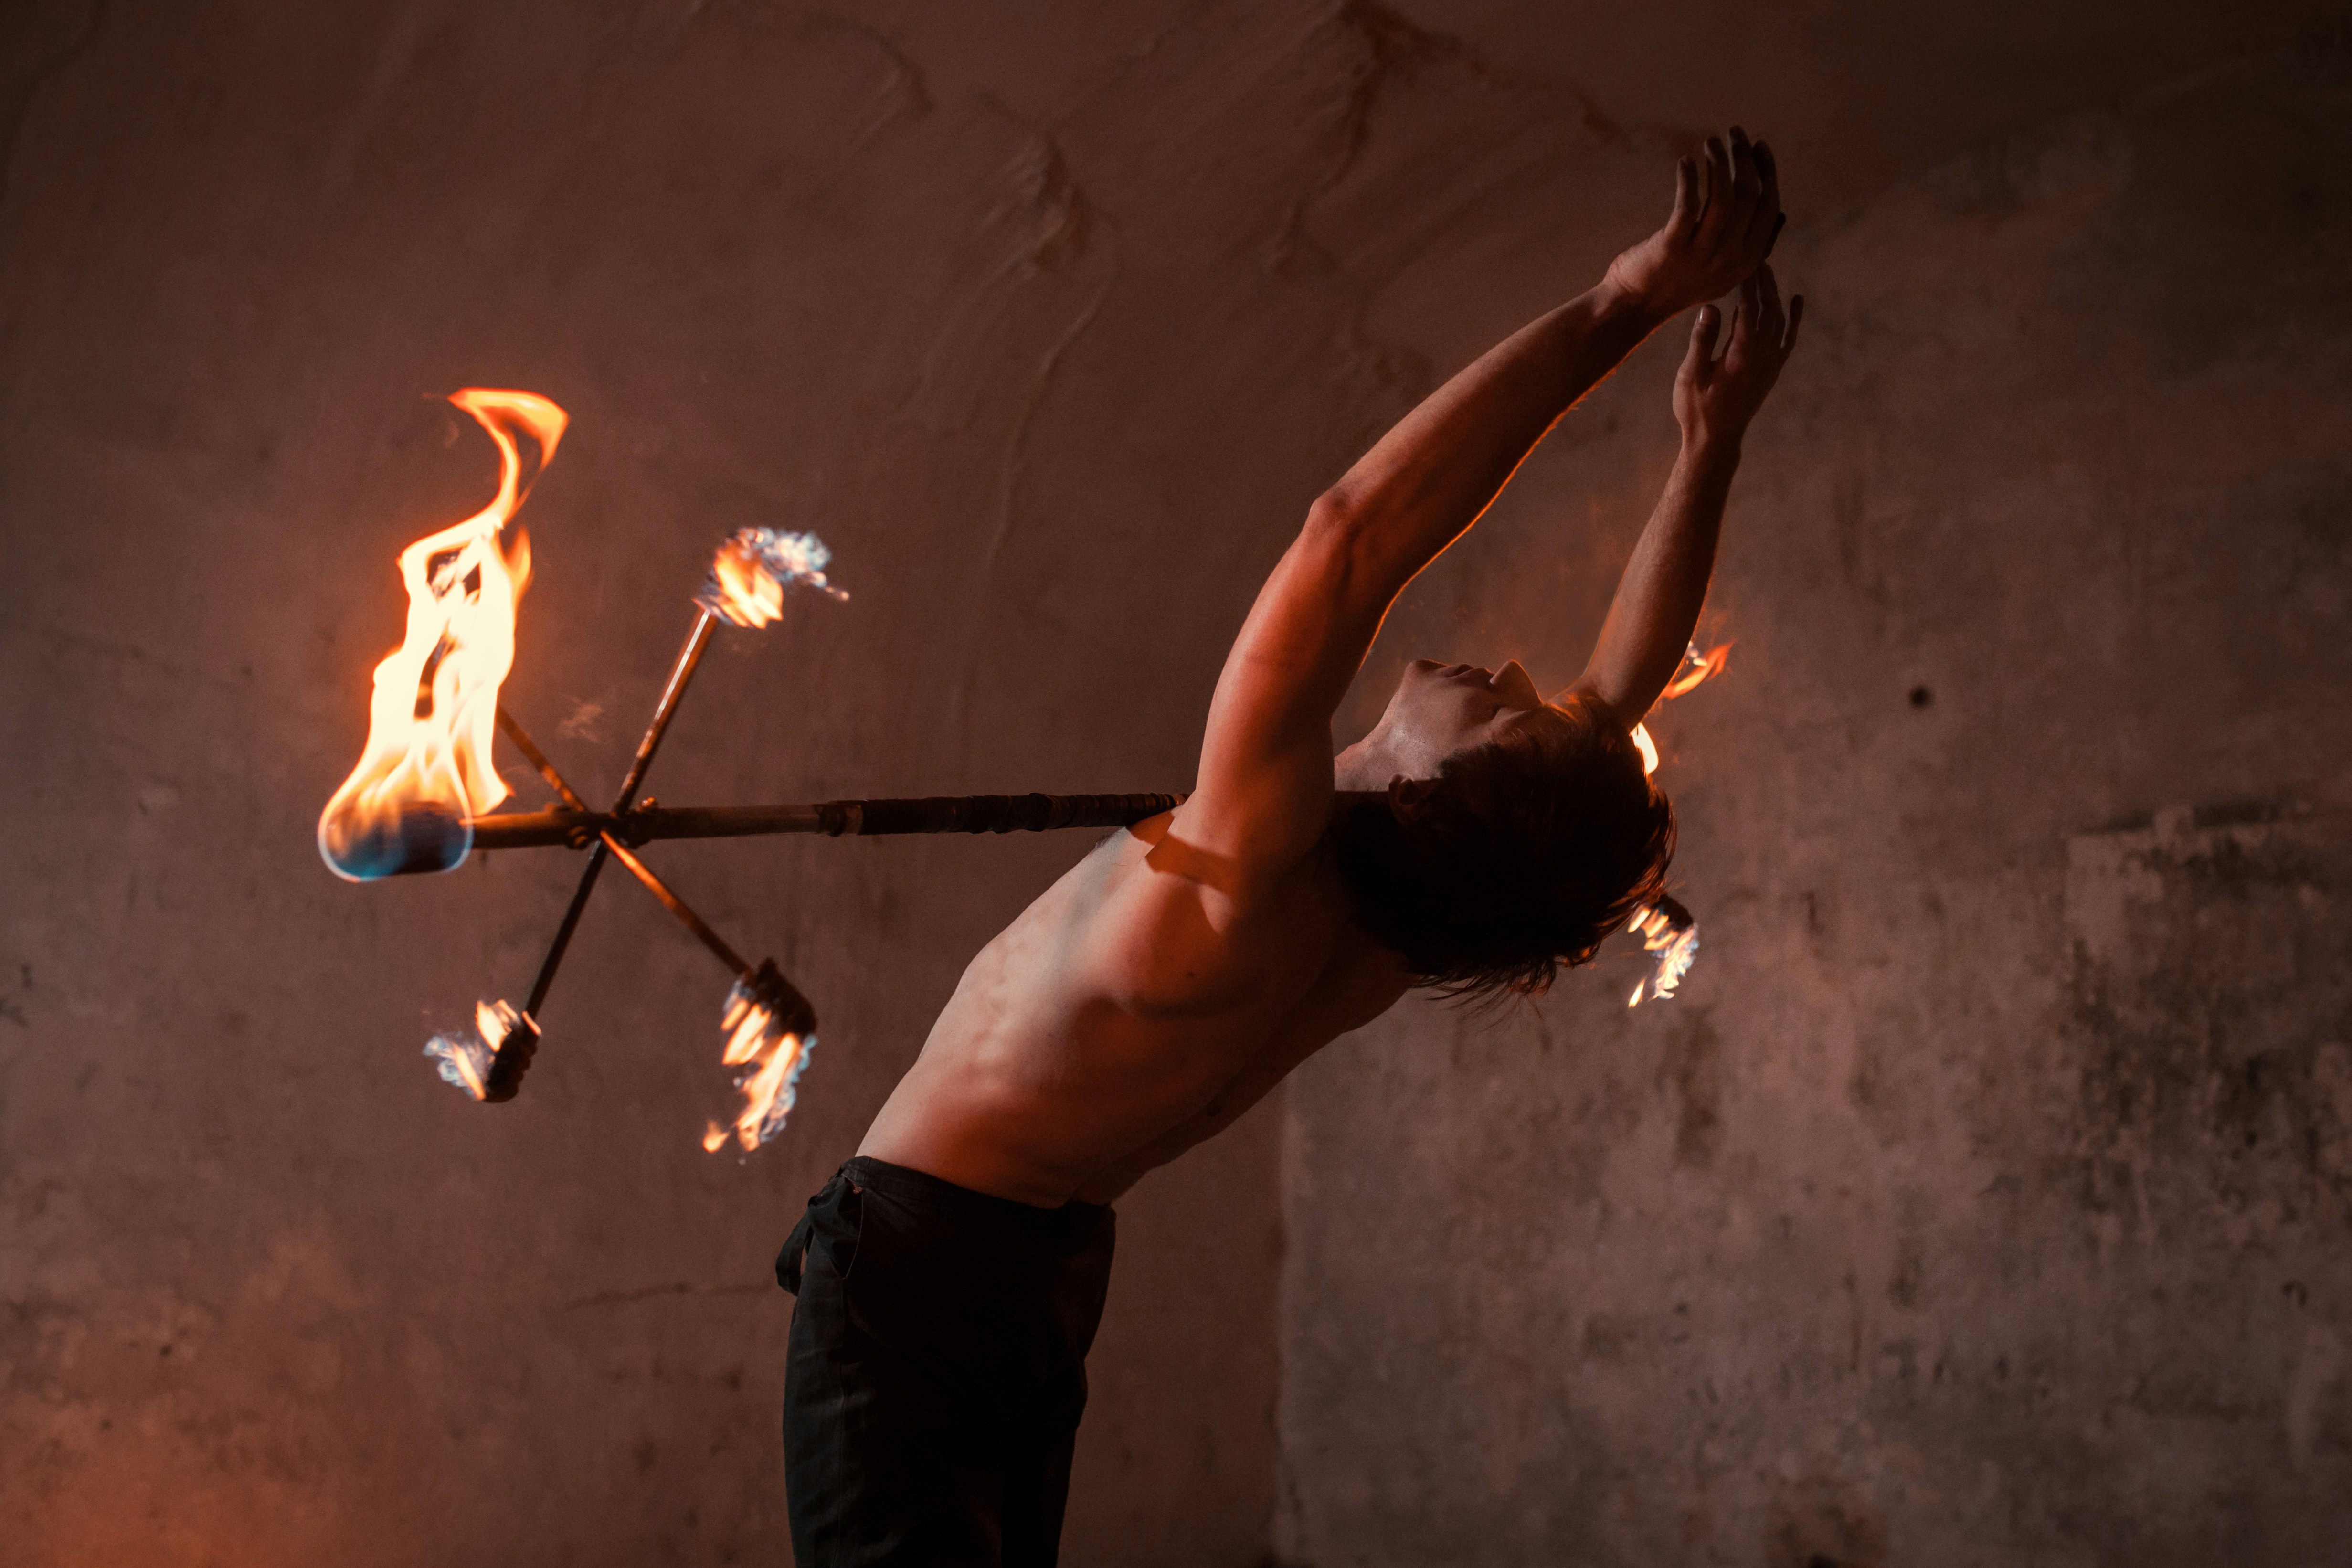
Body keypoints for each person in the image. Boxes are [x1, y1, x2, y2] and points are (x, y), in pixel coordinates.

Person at [777, 127, 1802, 1567]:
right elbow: (1616, 695)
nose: (1514, 672)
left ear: (1448, 797)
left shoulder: (1254, 866)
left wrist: (1621, 302)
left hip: (918, 1275)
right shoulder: (1395, 921)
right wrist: (1708, 447)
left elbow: (1347, 539)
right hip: (1034, 1275)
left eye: (1503, 717)